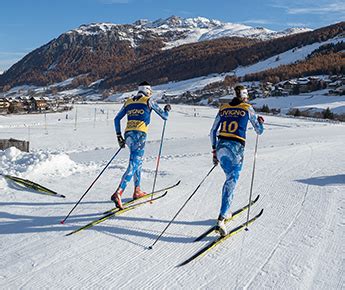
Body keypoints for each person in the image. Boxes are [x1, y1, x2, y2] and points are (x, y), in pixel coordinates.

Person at [210, 84, 264, 236]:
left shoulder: (223, 107)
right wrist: (260, 122)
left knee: (229, 179)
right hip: (236, 150)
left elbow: (212, 131)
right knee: (231, 180)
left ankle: (226, 212)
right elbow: (259, 130)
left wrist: (214, 152)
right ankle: (221, 218)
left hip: (221, 147)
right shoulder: (247, 108)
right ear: (245, 96)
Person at [111, 81, 171, 209]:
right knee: (134, 164)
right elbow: (164, 117)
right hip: (140, 135)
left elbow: (116, 119)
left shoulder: (128, 101)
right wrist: (167, 110)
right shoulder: (148, 100)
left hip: (128, 135)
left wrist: (119, 136)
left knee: (137, 162)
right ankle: (119, 192)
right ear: (148, 90)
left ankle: (137, 190)